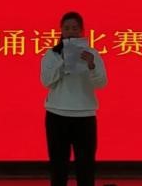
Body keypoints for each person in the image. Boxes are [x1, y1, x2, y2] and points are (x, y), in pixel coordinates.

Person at [40, 11, 108, 186]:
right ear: (61, 30)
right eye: (67, 28)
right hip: (57, 114)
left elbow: (101, 83)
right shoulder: (52, 54)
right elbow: (46, 81)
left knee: (86, 165)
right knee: (58, 165)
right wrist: (63, 61)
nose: (71, 32)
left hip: (84, 114)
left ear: (82, 31)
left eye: (75, 28)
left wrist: (91, 65)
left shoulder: (92, 54)